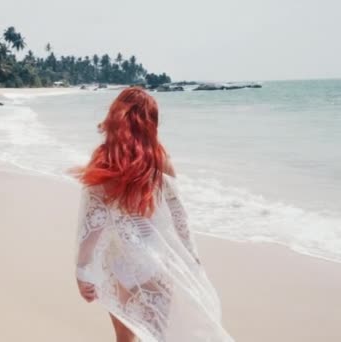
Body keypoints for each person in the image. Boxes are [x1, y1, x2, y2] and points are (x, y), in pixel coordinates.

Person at [75, 87, 234, 342]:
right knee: (157, 335)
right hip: (156, 262)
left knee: (125, 338)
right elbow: (180, 218)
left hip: (120, 265)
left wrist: (82, 270)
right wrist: (193, 259)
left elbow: (93, 220)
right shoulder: (161, 159)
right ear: (151, 122)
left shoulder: (105, 159)